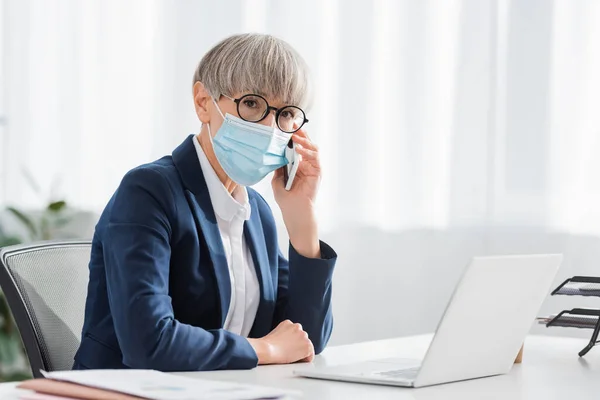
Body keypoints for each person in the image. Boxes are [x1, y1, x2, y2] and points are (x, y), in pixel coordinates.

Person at [73, 33, 337, 371]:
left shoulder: (257, 213)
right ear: (203, 102)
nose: (271, 127)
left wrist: (303, 224)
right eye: (253, 104)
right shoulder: (148, 192)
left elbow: (305, 340)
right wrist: (264, 349)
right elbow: (149, 343)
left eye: (286, 112)